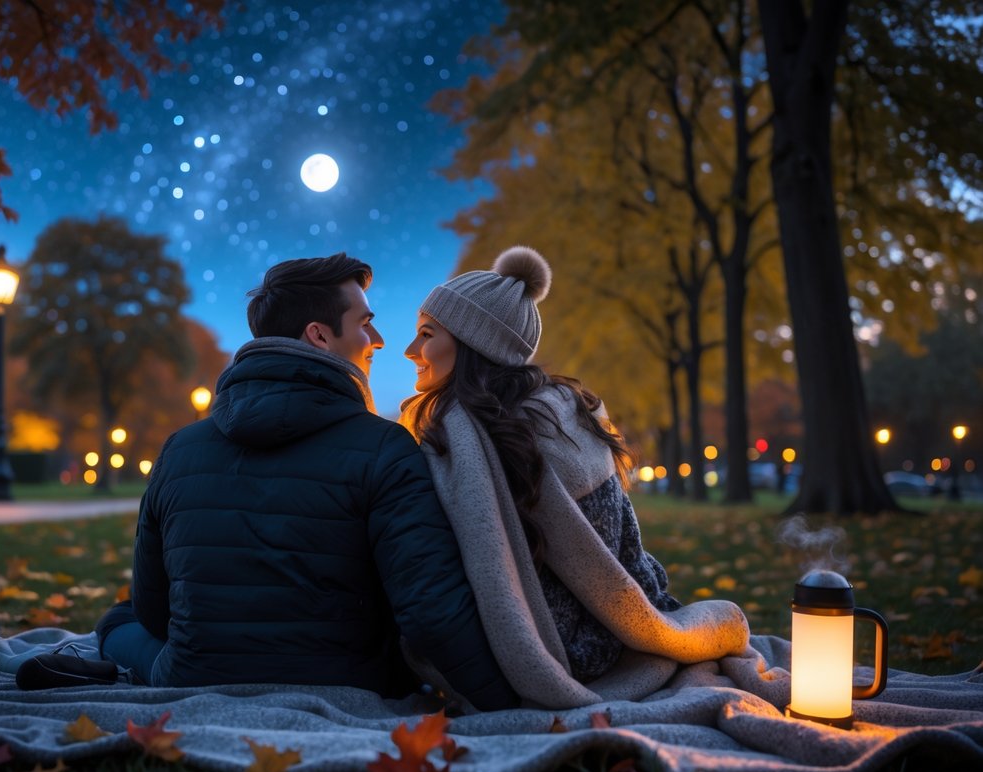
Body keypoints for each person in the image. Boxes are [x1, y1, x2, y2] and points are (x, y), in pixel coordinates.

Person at [94, 252, 518, 711]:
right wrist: (508, 704)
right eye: (364, 324)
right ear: (318, 335)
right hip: (350, 683)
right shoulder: (385, 447)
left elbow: (155, 609)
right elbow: (432, 614)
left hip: (193, 678)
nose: (377, 340)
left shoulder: (180, 448)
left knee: (121, 619)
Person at [399, 245, 750, 709]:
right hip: (610, 636)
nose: (410, 351)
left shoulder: (476, 434)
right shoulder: (566, 409)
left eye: (426, 334)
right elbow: (627, 546)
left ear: (474, 343)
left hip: (549, 648)